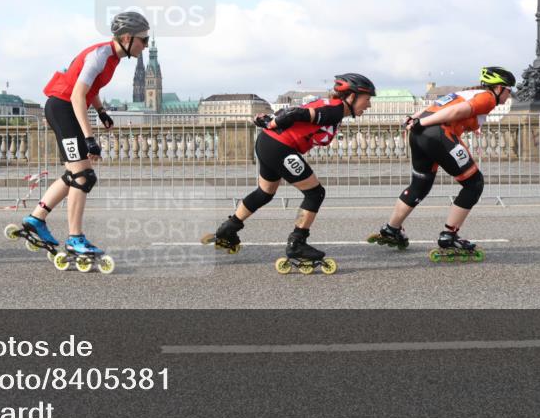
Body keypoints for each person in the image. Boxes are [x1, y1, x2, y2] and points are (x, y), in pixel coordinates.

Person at [13, 11, 150, 271]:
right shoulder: (101, 55)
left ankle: (36, 219)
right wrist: (90, 138)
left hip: (65, 108)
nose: (146, 44)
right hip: (63, 107)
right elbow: (78, 95)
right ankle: (75, 239)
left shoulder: (113, 57)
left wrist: (101, 111)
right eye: (143, 39)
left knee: (73, 174)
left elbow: (91, 89)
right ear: (127, 37)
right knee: (84, 176)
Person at [204, 73, 376, 274]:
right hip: (280, 147)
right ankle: (297, 243)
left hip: (269, 143)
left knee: (265, 192)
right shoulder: (335, 110)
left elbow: (296, 114)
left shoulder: (332, 108)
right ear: (352, 96)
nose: (369, 105)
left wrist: (270, 121)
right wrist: (273, 123)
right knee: (315, 193)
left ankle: (228, 229)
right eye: (367, 99)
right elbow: (295, 114)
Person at [369, 66, 515, 261]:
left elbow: (434, 107)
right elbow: (456, 111)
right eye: (509, 89)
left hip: (420, 135)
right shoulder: (488, 97)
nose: (509, 94)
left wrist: (416, 120)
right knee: (474, 184)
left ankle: (391, 229)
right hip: (438, 134)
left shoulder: (466, 93)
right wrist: (422, 123)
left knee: (419, 185)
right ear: (498, 88)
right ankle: (449, 236)